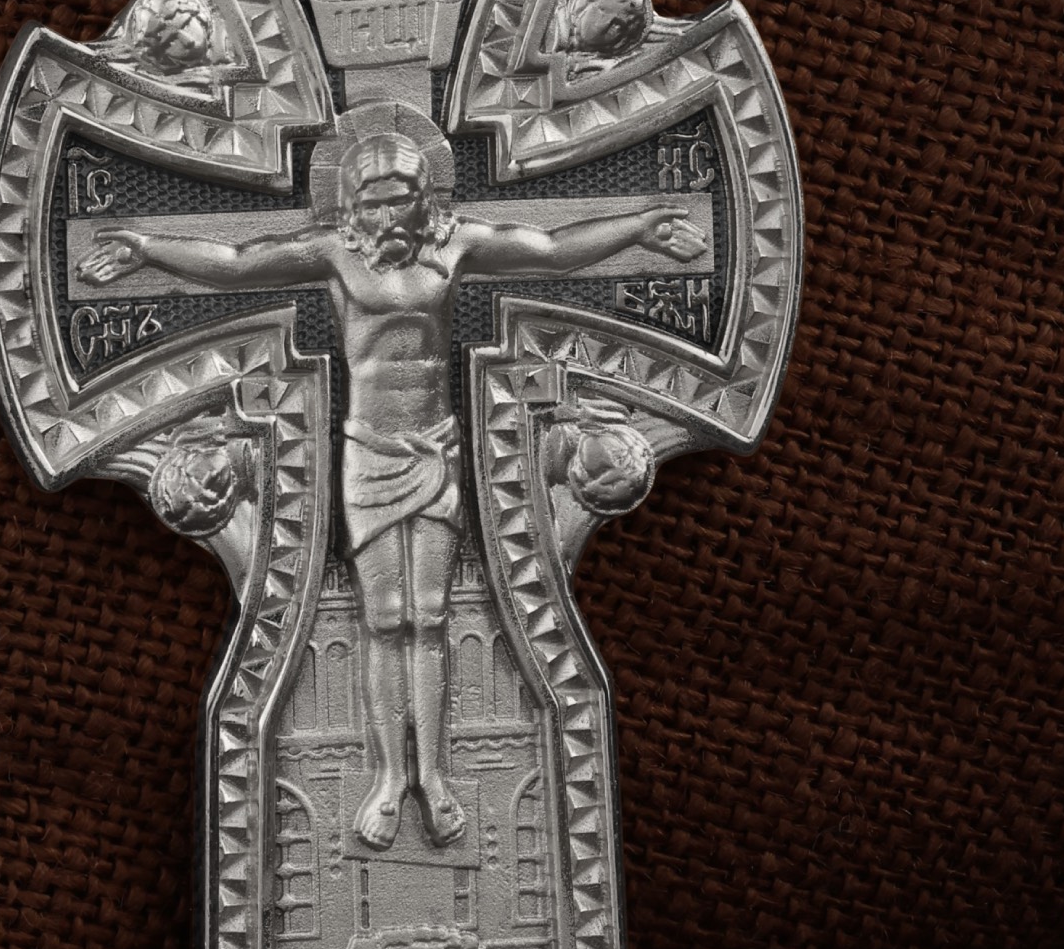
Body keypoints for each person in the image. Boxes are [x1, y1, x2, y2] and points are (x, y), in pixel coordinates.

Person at [74, 120, 704, 851]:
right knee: (384, 618)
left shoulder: (455, 244)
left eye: (400, 197)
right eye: (372, 201)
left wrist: (640, 226)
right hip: (369, 454)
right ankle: (388, 777)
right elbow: (238, 263)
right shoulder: (333, 252)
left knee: (428, 616)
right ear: (349, 203)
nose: (386, 214)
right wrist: (148, 247)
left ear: (422, 195)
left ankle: (432, 776)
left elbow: (553, 249)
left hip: (435, 448)